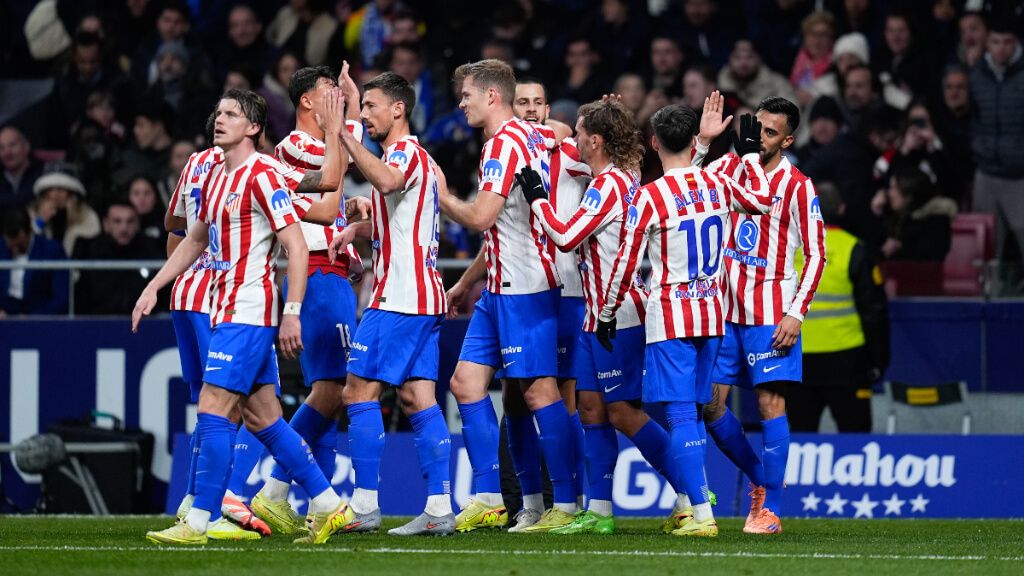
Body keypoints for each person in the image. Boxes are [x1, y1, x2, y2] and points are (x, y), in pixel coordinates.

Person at [133, 88, 349, 546]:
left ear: (253, 127)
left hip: (249, 311)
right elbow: (193, 239)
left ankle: (197, 521)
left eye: (232, 114)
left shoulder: (265, 173)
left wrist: (291, 312)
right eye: (218, 112)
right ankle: (330, 505)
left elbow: (294, 244)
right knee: (264, 418)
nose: (220, 119)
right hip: (221, 306)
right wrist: (155, 285)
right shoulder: (212, 176)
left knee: (213, 407)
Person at [597, 100, 773, 537]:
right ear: (694, 140)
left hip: (672, 317)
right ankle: (709, 507)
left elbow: (624, 262)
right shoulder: (717, 183)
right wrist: (749, 155)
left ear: (654, 143)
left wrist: (606, 311)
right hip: (712, 313)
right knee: (696, 411)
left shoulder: (649, 197)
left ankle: (702, 516)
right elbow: (763, 202)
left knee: (679, 415)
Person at [438, 59, 577, 532]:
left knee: (538, 393)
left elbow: (480, 217)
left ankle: (569, 505)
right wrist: (466, 281)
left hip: (527, 287)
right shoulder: (529, 135)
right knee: (467, 384)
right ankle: (494, 496)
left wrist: (439, 194)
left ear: (491, 97)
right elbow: (500, 226)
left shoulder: (503, 144)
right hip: (499, 287)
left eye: (467, 95)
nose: (462, 104)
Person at [326, 70, 454, 536]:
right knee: (417, 396)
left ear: (398, 109)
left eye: (372, 108)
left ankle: (363, 507)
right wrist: (358, 227)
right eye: (362, 110)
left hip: (399, 298)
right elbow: (396, 221)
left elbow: (384, 180)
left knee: (357, 392)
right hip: (423, 296)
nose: (365, 117)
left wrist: (341, 130)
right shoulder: (400, 156)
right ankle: (439, 508)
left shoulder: (405, 154)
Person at [516, 98, 649, 535]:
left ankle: (691, 496)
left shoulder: (609, 184)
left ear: (595, 140)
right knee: (591, 411)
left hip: (619, 311)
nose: (571, 139)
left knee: (625, 415)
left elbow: (567, 237)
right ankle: (601, 511)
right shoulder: (616, 176)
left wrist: (538, 199)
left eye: (577, 132)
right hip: (597, 313)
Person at [697, 96, 826, 535]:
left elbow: (817, 253)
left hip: (770, 312)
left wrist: (796, 313)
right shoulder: (730, 167)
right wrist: (704, 142)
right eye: (757, 127)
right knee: (709, 405)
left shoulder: (797, 185)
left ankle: (769, 507)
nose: (759, 137)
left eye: (770, 132)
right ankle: (760, 478)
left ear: (787, 139)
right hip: (721, 312)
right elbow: (689, 184)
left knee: (770, 404)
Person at [246, 64, 363, 535]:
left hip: (334, 274)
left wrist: (351, 103)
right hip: (315, 272)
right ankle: (273, 492)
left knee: (332, 389)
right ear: (307, 103)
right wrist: (349, 113)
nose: (335, 99)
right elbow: (339, 169)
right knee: (333, 389)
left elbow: (348, 149)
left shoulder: (323, 138)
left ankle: (281, 495)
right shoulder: (294, 147)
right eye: (328, 93)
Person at [499, 77, 586, 532]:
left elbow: (616, 170)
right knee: (515, 395)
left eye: (538, 103)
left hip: (567, 290)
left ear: (548, 108)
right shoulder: (508, 159)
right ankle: (525, 501)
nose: (530, 110)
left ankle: (569, 498)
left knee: (560, 396)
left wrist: (572, 130)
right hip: (519, 291)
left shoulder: (571, 155)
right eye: (522, 104)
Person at [791, 182, 889, 433]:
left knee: (799, 444)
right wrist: (879, 359)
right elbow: (873, 311)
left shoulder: (786, 251)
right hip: (848, 361)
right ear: (842, 209)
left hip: (797, 360)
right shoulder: (854, 249)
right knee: (856, 439)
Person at [969, 20, 1024, 262]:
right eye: (995, 42)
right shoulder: (976, 75)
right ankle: (987, 299)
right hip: (986, 174)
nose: (1001, 49)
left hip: (1020, 177)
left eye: (1008, 42)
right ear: (987, 42)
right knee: (986, 250)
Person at [72, 201, 164, 315]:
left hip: (144, 325)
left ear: (137, 224)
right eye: (117, 221)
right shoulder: (89, 252)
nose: (124, 228)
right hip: (98, 325)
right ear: (106, 224)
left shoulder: (151, 251)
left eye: (130, 221)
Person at [0, 207, 68, 317]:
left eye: (15, 243)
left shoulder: (52, 251)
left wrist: (33, 318)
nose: (11, 248)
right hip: (5, 316)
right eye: (8, 242)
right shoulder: (2, 247)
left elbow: (61, 298)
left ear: (24, 234)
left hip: (38, 319)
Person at [881, 167, 957, 262]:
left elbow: (927, 259)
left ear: (909, 194)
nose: (889, 193)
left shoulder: (936, 221)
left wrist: (898, 249)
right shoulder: (897, 217)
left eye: (894, 188)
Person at [30, 164, 101, 257]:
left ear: (71, 193)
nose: (56, 194)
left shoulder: (87, 216)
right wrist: (40, 222)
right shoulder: (32, 213)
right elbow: (27, 247)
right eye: (52, 189)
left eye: (61, 189)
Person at [0, 126, 44, 212]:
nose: (7, 152)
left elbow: (29, 198)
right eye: (1, 148)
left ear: (26, 147)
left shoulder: (43, 172)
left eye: (12, 145)